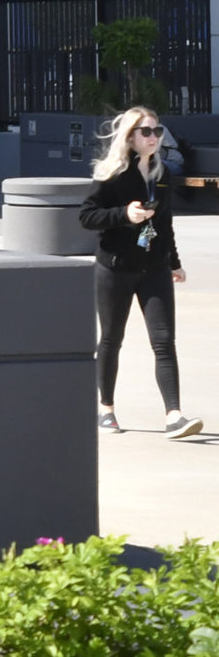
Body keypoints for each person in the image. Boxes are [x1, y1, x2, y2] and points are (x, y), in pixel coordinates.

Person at [79, 106, 200, 438]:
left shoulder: (162, 174)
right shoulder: (112, 173)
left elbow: (165, 222)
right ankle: (107, 409)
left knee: (164, 342)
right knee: (111, 339)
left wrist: (174, 262)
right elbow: (87, 216)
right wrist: (124, 214)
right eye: (146, 132)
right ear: (130, 137)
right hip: (115, 268)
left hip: (154, 268)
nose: (153, 138)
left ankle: (174, 415)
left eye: (157, 131)